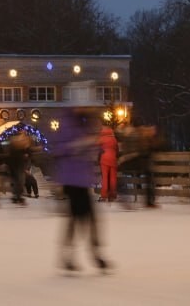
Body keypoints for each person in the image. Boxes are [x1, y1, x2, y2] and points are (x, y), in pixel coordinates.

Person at [51, 107, 111, 273]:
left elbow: (93, 149)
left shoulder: (87, 122)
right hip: (71, 180)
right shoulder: (66, 123)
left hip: (83, 180)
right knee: (81, 219)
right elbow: (58, 149)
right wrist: (77, 146)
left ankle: (74, 255)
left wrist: (95, 146)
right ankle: (89, 255)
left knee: (83, 219)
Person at [98, 124, 118, 202]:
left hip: (104, 159)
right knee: (113, 178)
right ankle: (112, 195)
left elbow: (97, 148)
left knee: (105, 178)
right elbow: (117, 150)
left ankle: (104, 195)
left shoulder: (101, 138)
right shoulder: (114, 139)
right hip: (113, 159)